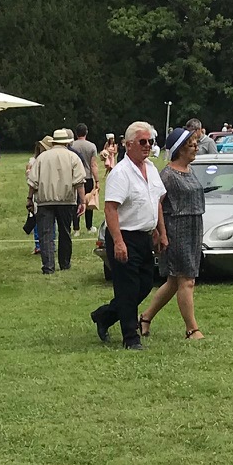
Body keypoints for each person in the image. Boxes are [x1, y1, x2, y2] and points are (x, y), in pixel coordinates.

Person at [93, 122, 167, 348]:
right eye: (142, 141)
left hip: (144, 236)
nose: (147, 146)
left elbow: (157, 202)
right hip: (124, 236)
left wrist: (160, 231)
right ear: (128, 144)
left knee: (144, 284)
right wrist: (118, 242)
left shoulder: (151, 169)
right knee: (128, 287)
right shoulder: (120, 173)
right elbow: (110, 209)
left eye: (150, 142)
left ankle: (105, 315)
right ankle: (131, 338)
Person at [139, 128, 205, 341]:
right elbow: (157, 203)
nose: (196, 148)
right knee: (187, 281)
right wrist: (161, 233)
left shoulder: (189, 170)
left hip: (193, 227)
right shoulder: (167, 175)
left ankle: (146, 317)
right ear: (180, 149)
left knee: (174, 281)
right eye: (191, 145)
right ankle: (192, 329)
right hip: (176, 228)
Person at [31, 127, 88, 274]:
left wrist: (29, 199)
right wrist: (83, 201)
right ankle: (65, 264)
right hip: (66, 200)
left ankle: (48, 266)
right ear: (67, 142)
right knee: (65, 232)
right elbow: (79, 182)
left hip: (45, 201)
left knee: (46, 234)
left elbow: (33, 182)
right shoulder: (73, 157)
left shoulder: (42, 157)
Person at [69, 125, 99, 231]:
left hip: (75, 177)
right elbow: (93, 165)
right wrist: (97, 180)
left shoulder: (72, 145)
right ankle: (89, 226)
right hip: (88, 177)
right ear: (86, 132)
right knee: (88, 202)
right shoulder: (91, 146)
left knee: (76, 202)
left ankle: (76, 228)